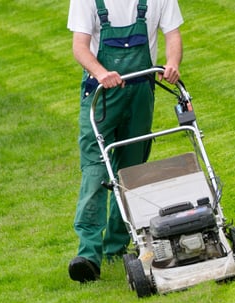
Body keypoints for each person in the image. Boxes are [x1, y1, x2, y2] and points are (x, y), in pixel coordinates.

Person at [66, 0, 184, 282]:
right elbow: (80, 46)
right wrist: (100, 72)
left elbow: (173, 34)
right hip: (101, 95)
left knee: (130, 171)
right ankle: (88, 255)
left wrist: (172, 64)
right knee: (96, 170)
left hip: (140, 92)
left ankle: (117, 248)